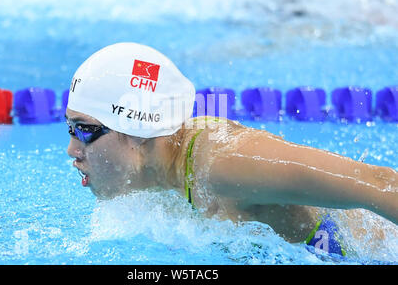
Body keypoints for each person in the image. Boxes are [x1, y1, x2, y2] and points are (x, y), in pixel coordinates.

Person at [65, 42, 397, 256]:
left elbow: (381, 183)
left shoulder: (225, 164)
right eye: (70, 129)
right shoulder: (156, 175)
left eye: (84, 131)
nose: (72, 149)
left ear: (137, 131)